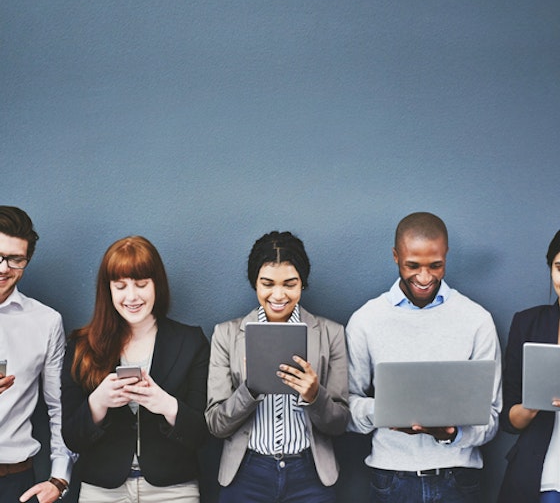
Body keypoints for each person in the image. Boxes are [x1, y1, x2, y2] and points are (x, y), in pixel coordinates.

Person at [345, 212, 502, 503]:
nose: (424, 277)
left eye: (436, 265)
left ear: (446, 256)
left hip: (459, 480)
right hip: (391, 479)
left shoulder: (477, 320)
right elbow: (347, 409)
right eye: (412, 265)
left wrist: (451, 433)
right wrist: (386, 411)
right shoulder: (366, 320)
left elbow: (491, 418)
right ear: (395, 256)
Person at [61, 236, 209, 503]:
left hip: (174, 489)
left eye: (141, 284)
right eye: (120, 286)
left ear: (157, 286)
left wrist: (165, 404)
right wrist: (98, 403)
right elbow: (71, 438)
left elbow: (202, 434)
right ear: (108, 290)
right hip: (101, 489)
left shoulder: (190, 342)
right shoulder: (81, 346)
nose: (132, 296)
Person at [205, 231, 349, 503]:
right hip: (247, 473)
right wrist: (249, 390)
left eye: (290, 284)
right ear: (255, 283)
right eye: (267, 283)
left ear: (302, 284)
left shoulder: (331, 334)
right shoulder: (226, 335)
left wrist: (314, 396)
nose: (279, 295)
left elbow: (340, 422)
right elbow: (215, 424)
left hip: (310, 474)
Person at [0, 206, 74, 503]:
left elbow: (60, 407)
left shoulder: (46, 321)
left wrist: (60, 478)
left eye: (15, 260)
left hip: (15, 482)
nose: (4, 267)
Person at [498, 229, 560, 503]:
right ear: (551, 269)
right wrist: (533, 404)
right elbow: (509, 420)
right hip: (541, 477)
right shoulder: (528, 323)